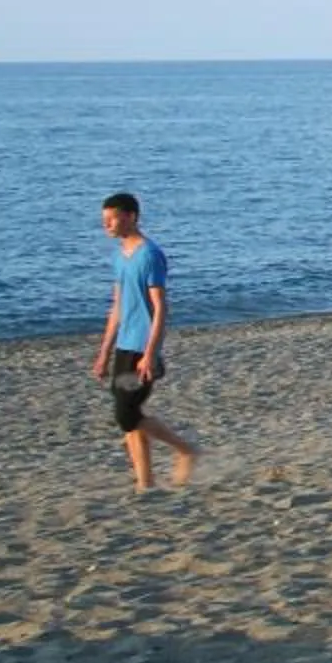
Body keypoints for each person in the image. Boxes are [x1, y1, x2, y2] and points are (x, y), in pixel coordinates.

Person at [93, 191, 197, 490]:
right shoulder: (119, 256)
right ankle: (145, 482)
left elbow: (161, 307)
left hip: (142, 346)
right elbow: (117, 306)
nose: (108, 225)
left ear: (131, 217)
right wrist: (103, 353)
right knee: (130, 415)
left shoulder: (150, 255)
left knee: (125, 414)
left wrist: (151, 353)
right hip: (124, 346)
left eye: (113, 219)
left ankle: (185, 450)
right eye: (105, 220)